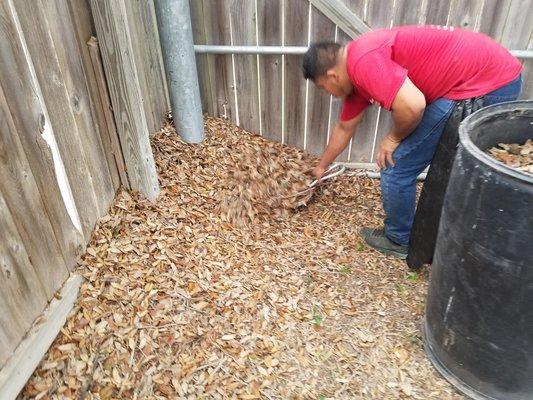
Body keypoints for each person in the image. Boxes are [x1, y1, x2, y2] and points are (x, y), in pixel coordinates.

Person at [302, 25, 522, 259]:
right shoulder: (357, 74)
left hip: (486, 83)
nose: (330, 93)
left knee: (395, 167)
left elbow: (413, 105)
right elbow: (344, 128)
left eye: (323, 88)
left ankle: (399, 240)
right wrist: (321, 167)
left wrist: (393, 138)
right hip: (489, 75)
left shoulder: (363, 62)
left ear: (332, 76)